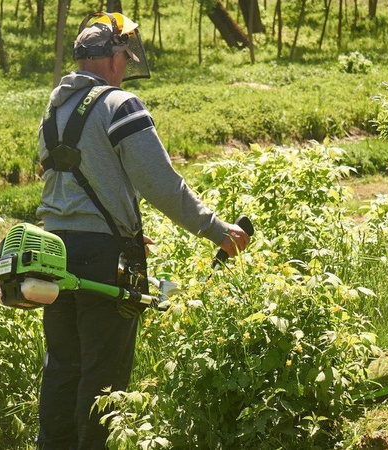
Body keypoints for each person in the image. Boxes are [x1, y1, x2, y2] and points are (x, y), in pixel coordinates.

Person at [34, 11, 250, 450]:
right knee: (103, 377)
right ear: (110, 58)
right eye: (125, 56)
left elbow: (70, 185)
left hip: (52, 255)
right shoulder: (120, 105)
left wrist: (120, 228)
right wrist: (216, 230)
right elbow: (161, 185)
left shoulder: (54, 109)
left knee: (63, 368)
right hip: (101, 261)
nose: (128, 65)